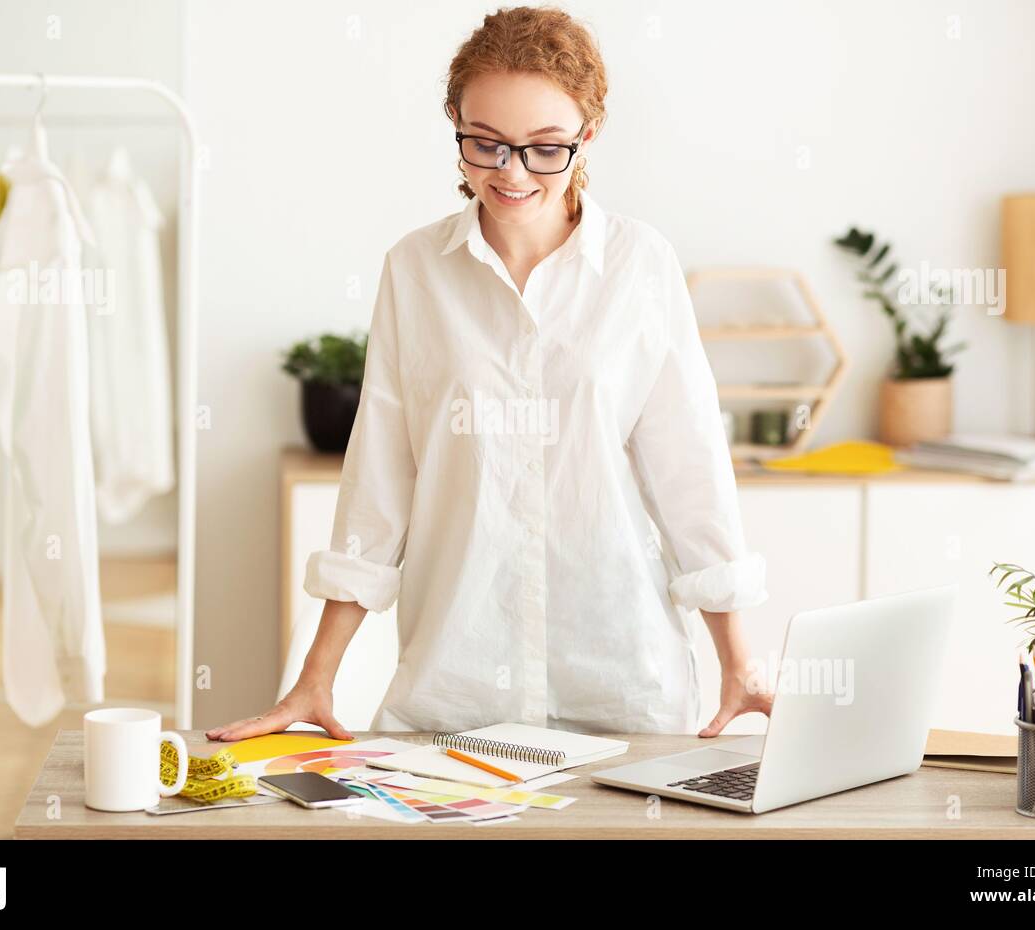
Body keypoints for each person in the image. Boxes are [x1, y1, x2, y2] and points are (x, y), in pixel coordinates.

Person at [207, 6, 772, 744]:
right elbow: (381, 480)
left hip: (622, 687)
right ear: (455, 123)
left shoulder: (642, 267)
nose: (510, 173)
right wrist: (315, 681)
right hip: (454, 693)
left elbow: (690, 473)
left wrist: (739, 663)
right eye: (486, 143)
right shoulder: (414, 271)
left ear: (587, 136)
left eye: (544, 148)